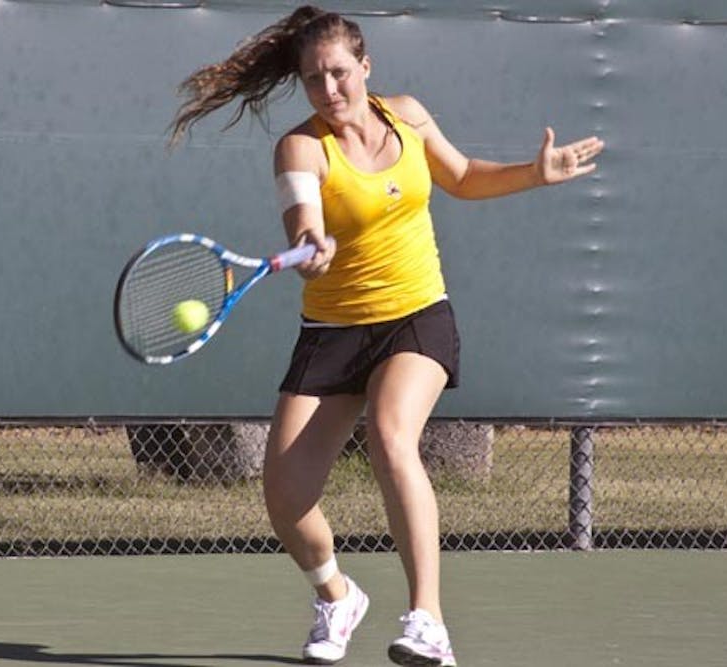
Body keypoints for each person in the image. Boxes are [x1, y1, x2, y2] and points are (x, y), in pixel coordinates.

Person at [168, 6, 603, 666]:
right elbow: (303, 214)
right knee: (284, 497)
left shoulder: (408, 114)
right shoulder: (300, 147)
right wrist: (310, 241)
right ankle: (338, 596)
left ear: (365, 67)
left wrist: (532, 173)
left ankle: (427, 618)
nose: (330, 90)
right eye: (314, 80)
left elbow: (459, 177)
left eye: (340, 73)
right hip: (334, 330)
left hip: (416, 313)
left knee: (393, 433)